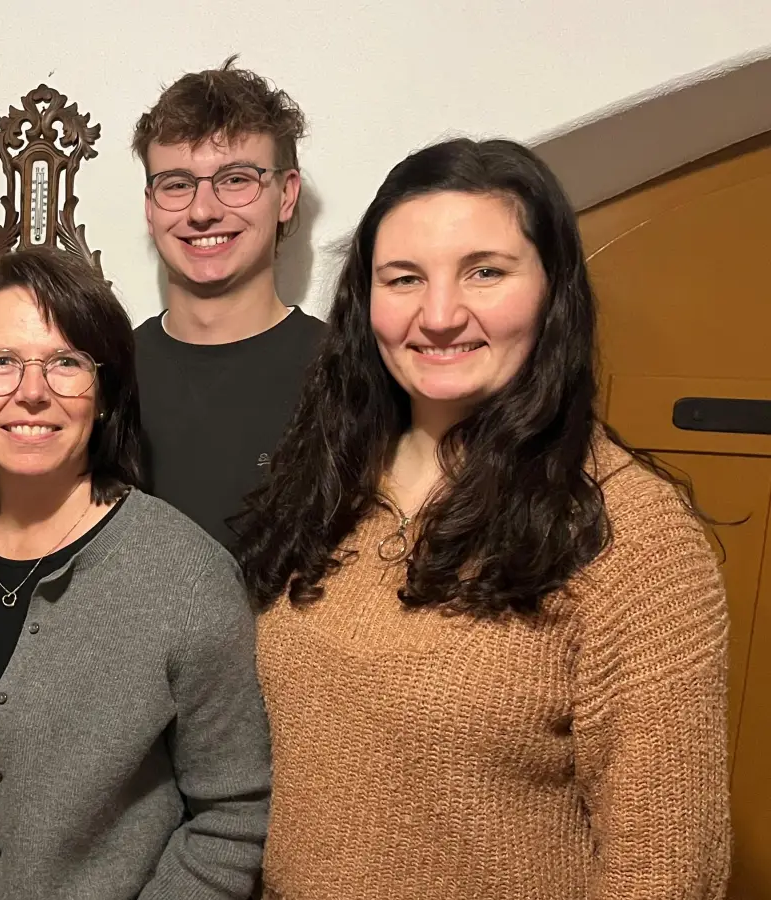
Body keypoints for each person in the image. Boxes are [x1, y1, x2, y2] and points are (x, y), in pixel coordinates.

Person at [231, 138, 731, 899]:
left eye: (484, 272)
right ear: (365, 303)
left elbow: (664, 870)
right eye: (404, 279)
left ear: (552, 287)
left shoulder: (630, 538)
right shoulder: (329, 478)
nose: (439, 316)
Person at [0, 247, 270, 900]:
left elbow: (238, 812)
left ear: (104, 395)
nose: (32, 391)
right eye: (1, 363)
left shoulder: (186, 577)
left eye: (66, 362)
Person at [130, 57, 326, 545]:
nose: (203, 211)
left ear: (286, 195)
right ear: (151, 208)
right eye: (176, 184)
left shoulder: (345, 372)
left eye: (236, 179)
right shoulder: (104, 374)